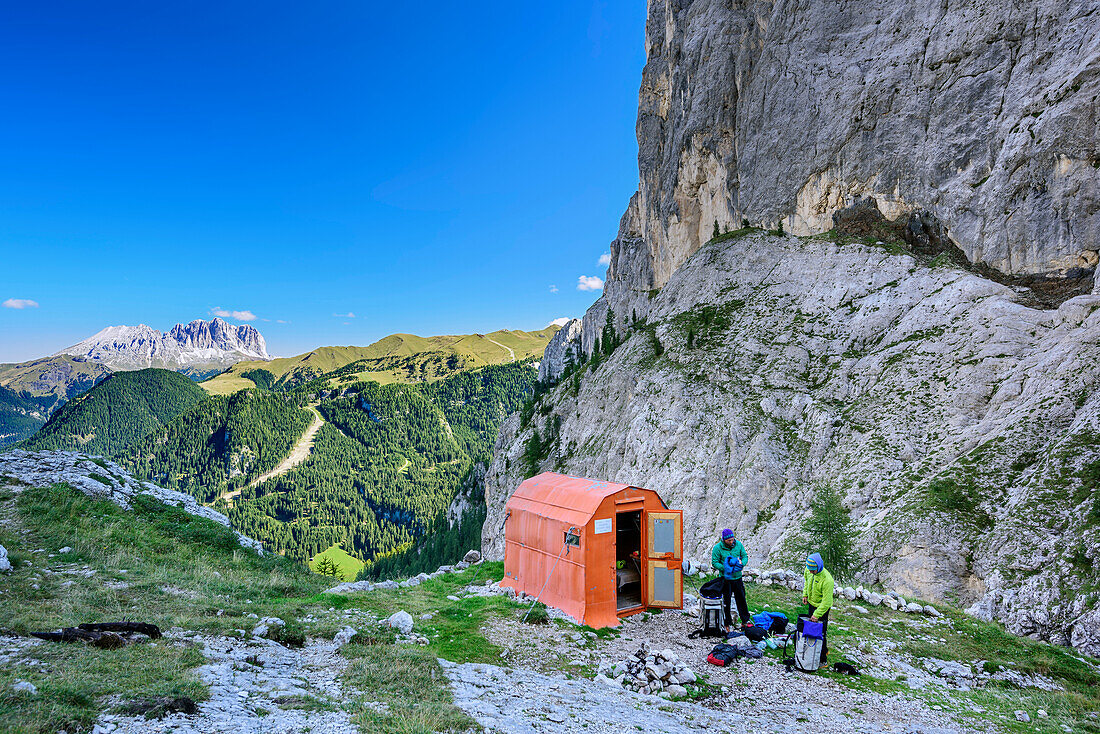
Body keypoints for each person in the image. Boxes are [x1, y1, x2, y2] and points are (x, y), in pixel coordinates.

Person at [710, 529, 749, 633]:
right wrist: (725, 568)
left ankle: (745, 621)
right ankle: (727, 623)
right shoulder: (717, 548)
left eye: (732, 540)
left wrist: (742, 563)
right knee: (726, 601)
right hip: (726, 579)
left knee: (741, 599)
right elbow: (714, 562)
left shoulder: (739, 544)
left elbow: (745, 556)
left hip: (737, 578)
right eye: (729, 541)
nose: (731, 542)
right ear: (724, 540)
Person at [802, 552, 834, 664]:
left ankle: (822, 659)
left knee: (821, 632)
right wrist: (805, 594)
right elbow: (807, 582)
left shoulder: (827, 580)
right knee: (812, 628)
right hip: (812, 603)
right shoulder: (808, 570)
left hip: (822, 608)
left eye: (813, 570)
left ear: (819, 567)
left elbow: (827, 602)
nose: (810, 572)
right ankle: (815, 651)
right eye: (809, 569)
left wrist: (817, 614)